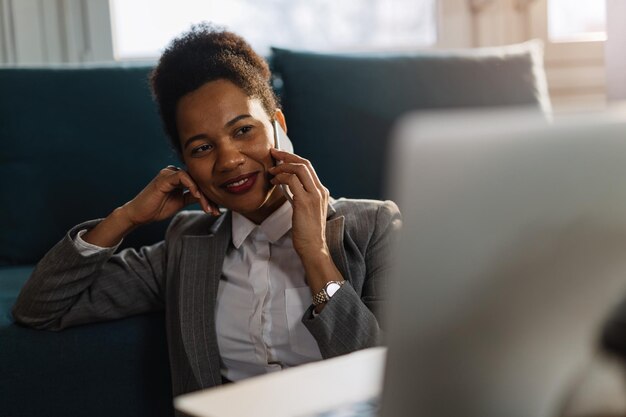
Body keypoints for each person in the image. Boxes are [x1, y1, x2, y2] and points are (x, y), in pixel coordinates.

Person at [12, 23, 401, 398]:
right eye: (202, 148)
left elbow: (390, 379)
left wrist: (315, 255)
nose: (229, 160)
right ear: (184, 164)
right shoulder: (186, 243)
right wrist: (126, 217)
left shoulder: (373, 226)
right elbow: (39, 308)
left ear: (278, 125)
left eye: (243, 130)